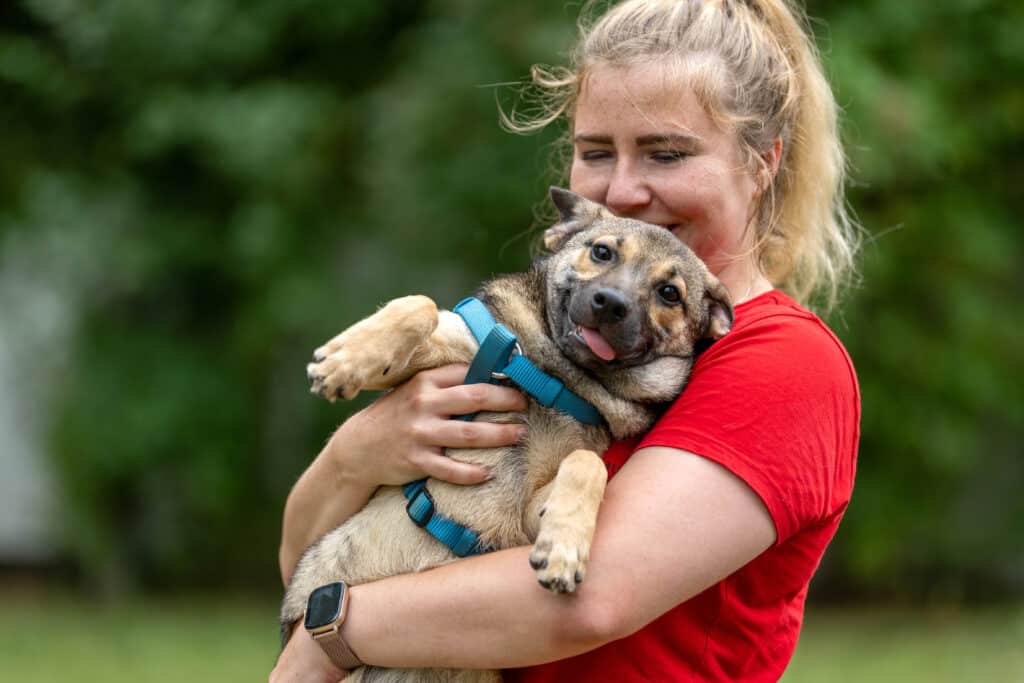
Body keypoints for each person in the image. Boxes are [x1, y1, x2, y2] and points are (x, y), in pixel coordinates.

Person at [271, 0, 860, 680]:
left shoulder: (781, 362)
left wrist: (332, 631)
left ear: (761, 164)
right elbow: (301, 561)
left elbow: (588, 602)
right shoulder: (555, 340)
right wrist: (361, 451)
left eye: (666, 153)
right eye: (596, 152)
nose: (624, 189)